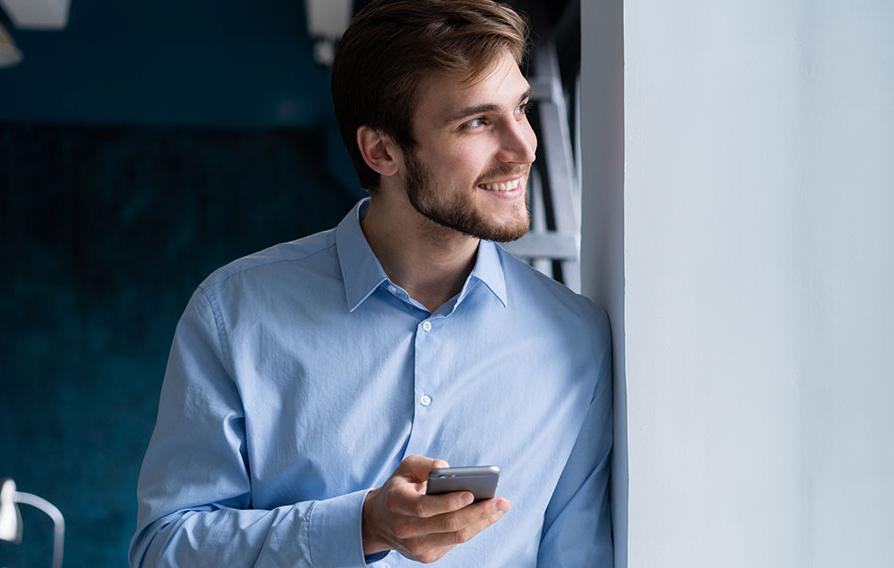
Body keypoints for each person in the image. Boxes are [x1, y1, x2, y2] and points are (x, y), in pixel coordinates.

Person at [129, 0, 612, 565]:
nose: (525, 147)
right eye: (477, 121)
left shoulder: (577, 339)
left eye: (521, 109)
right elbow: (163, 551)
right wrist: (363, 526)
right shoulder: (234, 312)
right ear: (382, 150)